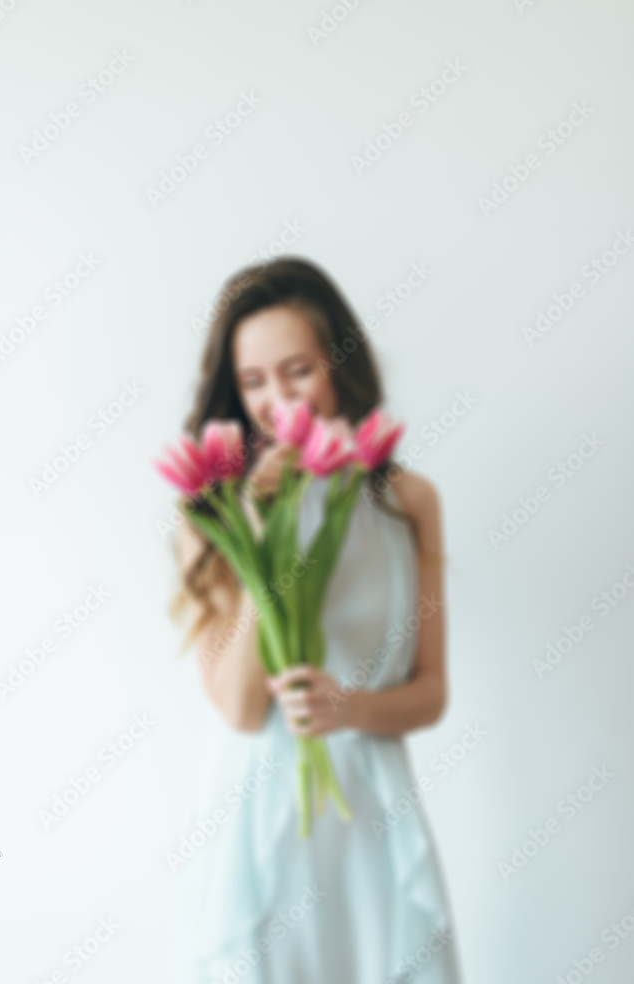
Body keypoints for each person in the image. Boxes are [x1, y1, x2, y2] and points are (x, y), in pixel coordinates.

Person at [170, 257, 462, 983]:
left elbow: (430, 693)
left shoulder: (407, 502)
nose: (275, 402)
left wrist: (350, 707)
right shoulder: (211, 514)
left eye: (297, 370)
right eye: (252, 381)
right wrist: (258, 534)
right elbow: (240, 709)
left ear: (339, 366)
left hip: (370, 806)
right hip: (260, 815)